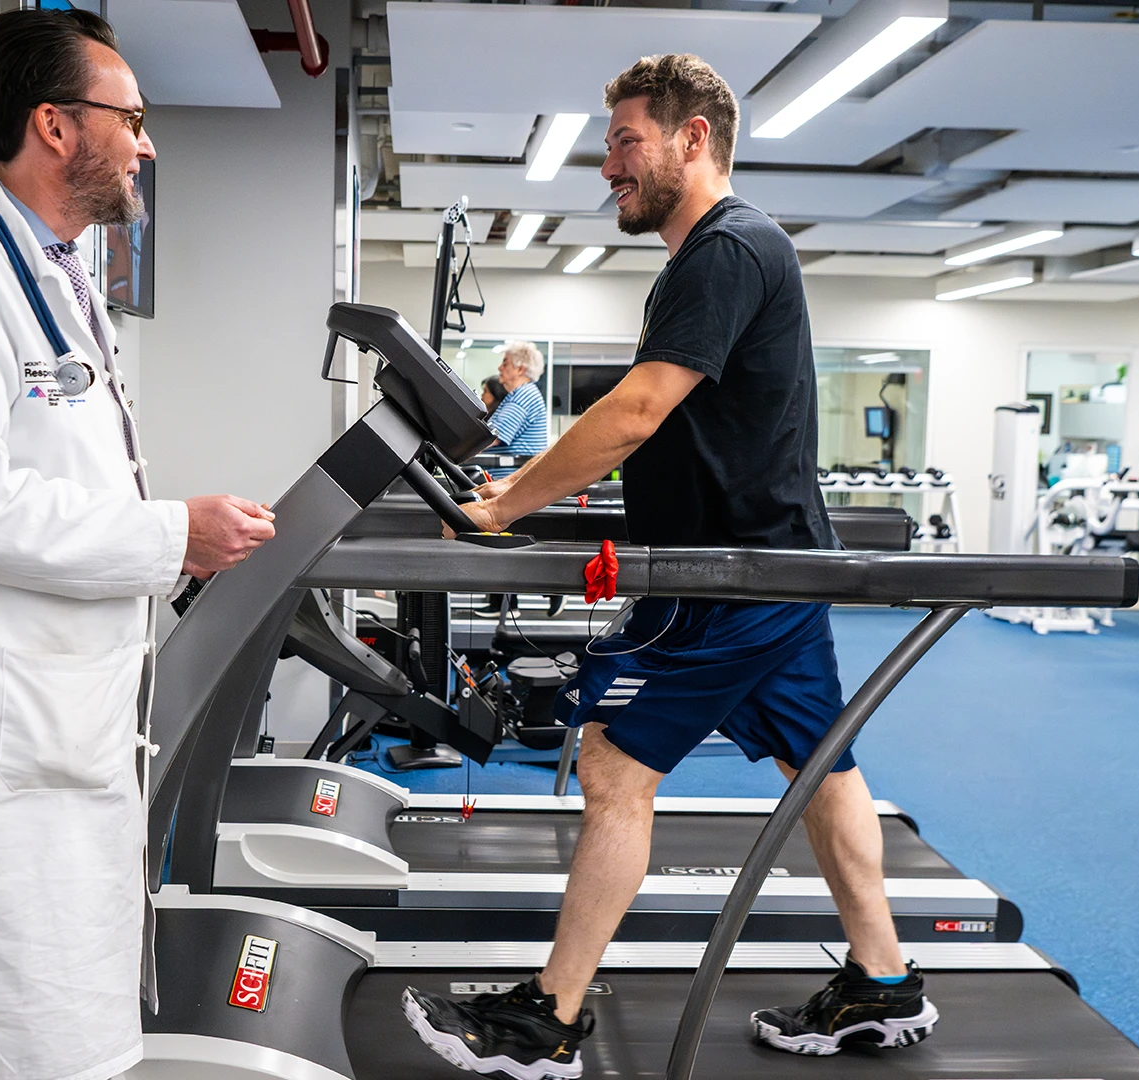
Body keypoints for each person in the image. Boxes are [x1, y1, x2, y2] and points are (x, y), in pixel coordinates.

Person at [401, 54, 934, 1078]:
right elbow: (681, 430)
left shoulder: (726, 250)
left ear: (694, 139)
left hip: (731, 580)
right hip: (773, 565)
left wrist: (505, 504)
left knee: (612, 764)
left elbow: (641, 409)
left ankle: (550, 1019)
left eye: (624, 141)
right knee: (821, 765)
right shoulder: (723, 253)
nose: (609, 166)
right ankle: (884, 979)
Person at [0, 10, 276, 1080]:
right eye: (129, 117)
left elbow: (59, 478)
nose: (147, 142)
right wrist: (173, 534)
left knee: (62, 1025)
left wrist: (168, 534)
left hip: (66, 719)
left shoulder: (65, 277)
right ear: (54, 125)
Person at [482, 340, 550, 477]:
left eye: (505, 364)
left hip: (511, 480)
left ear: (520, 369)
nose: (500, 368)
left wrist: (457, 450)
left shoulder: (524, 396)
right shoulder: (518, 394)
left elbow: (491, 437)